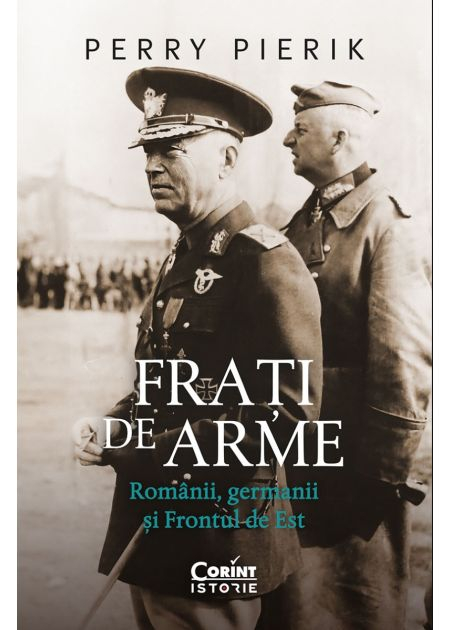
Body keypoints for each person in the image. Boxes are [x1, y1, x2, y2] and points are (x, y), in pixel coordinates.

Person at [72, 67, 323, 630]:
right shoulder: (185, 256)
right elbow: (168, 380)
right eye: (148, 151)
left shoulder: (263, 262)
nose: (152, 166)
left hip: (216, 537)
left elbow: (287, 418)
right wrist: (117, 424)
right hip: (159, 532)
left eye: (172, 149)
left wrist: (144, 452)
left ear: (227, 159)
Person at [267, 81, 431, 629]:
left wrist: (377, 481)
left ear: (339, 139)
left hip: (354, 475)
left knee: (353, 610)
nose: (287, 139)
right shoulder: (300, 224)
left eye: (300, 129)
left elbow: (403, 363)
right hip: (295, 464)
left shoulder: (386, 223)